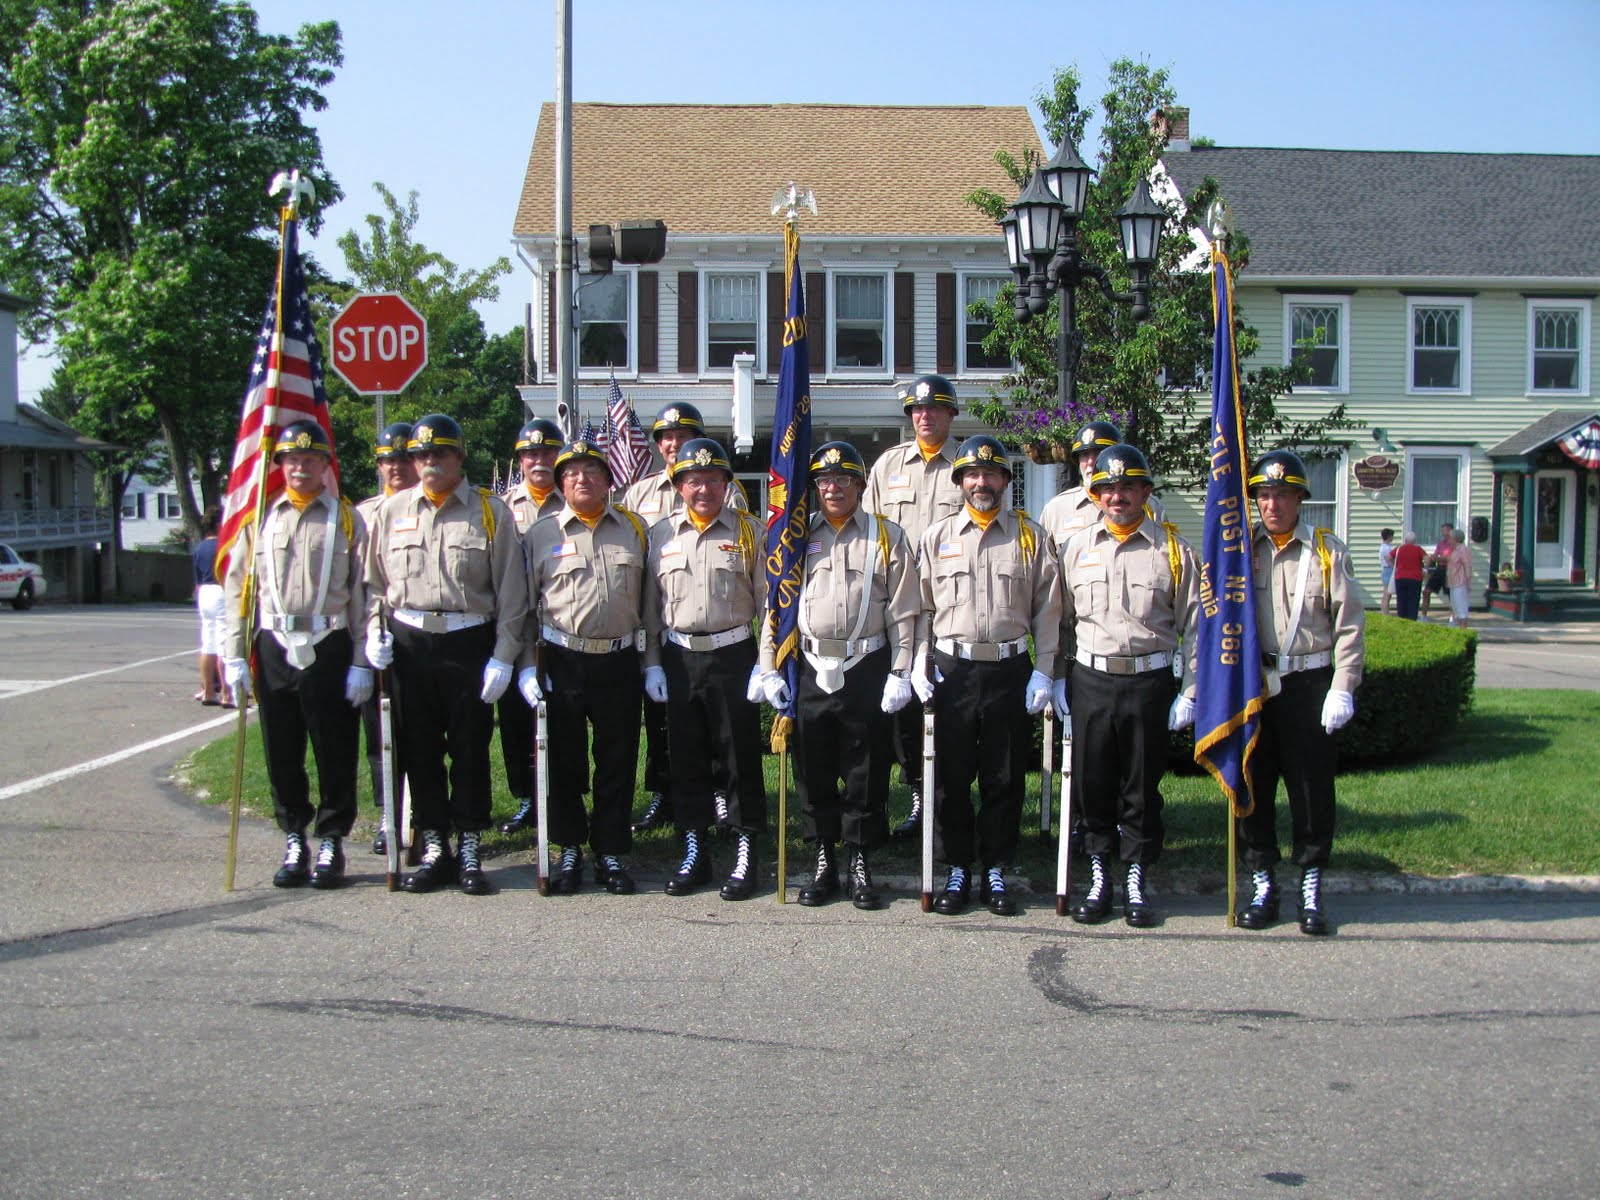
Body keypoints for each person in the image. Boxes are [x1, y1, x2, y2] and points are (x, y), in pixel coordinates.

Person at [364, 413, 528, 896]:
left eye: (439, 453)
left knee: (470, 746)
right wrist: (375, 632)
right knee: (419, 748)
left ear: (459, 457)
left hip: (468, 640)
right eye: (420, 454)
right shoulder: (392, 512)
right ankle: (435, 843)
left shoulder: (490, 511)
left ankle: (471, 841)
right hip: (410, 642)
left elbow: (512, 596)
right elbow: (375, 585)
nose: (429, 461)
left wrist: (503, 655)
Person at [757, 441, 919, 909]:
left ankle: (860, 859)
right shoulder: (794, 538)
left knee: (866, 768)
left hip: (865, 665)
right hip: (809, 666)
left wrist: (901, 670)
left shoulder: (887, 536)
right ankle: (824, 856)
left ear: (861, 486)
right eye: (825, 481)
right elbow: (777, 609)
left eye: (844, 479)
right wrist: (769, 667)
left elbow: (904, 612)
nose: (833, 488)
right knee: (815, 766)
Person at [913, 435, 1060, 916]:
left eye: (992, 474)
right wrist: (918, 659)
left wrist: (1044, 671)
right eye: (972, 475)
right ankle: (956, 867)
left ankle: (996, 868)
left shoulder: (1030, 536)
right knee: (951, 777)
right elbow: (920, 608)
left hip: (1009, 670)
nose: (982, 482)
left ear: (1005, 480)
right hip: (952, 670)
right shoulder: (936, 538)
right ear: (959, 482)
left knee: (1004, 775)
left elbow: (1048, 611)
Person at [222, 420, 370, 890]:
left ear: (327, 465)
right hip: (274, 642)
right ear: (279, 465)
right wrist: (232, 655)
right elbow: (238, 591)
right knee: (281, 747)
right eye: (292, 459)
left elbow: (364, 593)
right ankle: (294, 836)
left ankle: (331, 838)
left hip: (329, 642)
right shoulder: (260, 518)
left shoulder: (347, 519)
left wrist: (363, 659)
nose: (301, 467)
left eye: (311, 459)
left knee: (334, 745)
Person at [1055, 444, 1197, 928]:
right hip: (1091, 679)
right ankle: (1099, 873)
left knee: (1140, 784)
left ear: (1145, 493)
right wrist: (1054, 677)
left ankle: (1136, 874)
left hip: (1148, 681)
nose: (1117, 496)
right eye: (1108, 488)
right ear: (1095, 494)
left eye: (1127, 487)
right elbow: (1061, 621)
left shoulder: (1173, 550)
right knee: (1092, 782)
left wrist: (1192, 689)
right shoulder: (1075, 549)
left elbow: (1196, 626)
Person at [1237, 450, 1365, 936]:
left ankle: (1310, 881)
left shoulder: (1327, 551)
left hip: (1309, 682)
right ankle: (1262, 879)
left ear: (1300, 499)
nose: (1272, 505)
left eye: (1282, 495)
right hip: (1255, 685)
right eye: (1264, 496)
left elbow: (1350, 626)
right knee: (1253, 783)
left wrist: (1343, 687)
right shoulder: (1241, 549)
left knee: (1310, 788)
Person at [518, 440, 650, 894]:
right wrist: (523, 667)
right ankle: (569, 845)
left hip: (619, 660)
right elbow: (522, 608)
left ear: (608, 479)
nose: (582, 479)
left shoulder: (634, 529)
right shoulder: (541, 533)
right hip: (562, 659)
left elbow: (650, 603)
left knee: (617, 758)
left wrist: (650, 664)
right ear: (560, 482)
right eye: (572, 472)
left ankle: (610, 849)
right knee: (564, 759)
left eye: (592, 471)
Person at [641, 437, 767, 900]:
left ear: (726, 484)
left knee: (739, 757)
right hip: (677, 656)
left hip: (733, 654)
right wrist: (653, 664)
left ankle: (745, 845)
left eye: (712, 479)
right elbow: (651, 608)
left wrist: (765, 664)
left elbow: (770, 605)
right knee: (687, 757)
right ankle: (695, 847)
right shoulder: (659, 535)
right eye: (693, 480)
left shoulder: (750, 531)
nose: (703, 489)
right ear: (678, 486)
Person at [621, 402, 746, 835]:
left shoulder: (732, 503)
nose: (674, 443)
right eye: (666, 437)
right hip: (673, 638)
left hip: (727, 638)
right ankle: (668, 799)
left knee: (727, 738)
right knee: (671, 733)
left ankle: (726, 804)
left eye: (682, 435)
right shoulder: (639, 496)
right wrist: (650, 654)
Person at [865, 374, 966, 842]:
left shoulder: (967, 466)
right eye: (917, 411)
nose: (925, 416)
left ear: (951, 414)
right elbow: (869, 531)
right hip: (895, 603)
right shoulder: (888, 466)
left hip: (948, 602)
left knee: (939, 704)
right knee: (894, 709)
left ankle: (939, 798)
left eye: (935, 409)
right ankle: (907, 795)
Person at [496, 418, 566, 837]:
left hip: (558, 630)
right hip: (518, 629)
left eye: (546, 452)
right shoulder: (503, 507)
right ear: (520, 460)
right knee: (516, 720)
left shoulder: (575, 500)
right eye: (531, 453)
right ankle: (526, 798)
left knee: (559, 721)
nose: (539, 460)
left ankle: (557, 795)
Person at [355, 421, 418, 855]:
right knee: (381, 734)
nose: (395, 467)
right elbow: (362, 585)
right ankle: (387, 813)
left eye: (401, 459)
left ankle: (423, 815)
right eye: (387, 460)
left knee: (423, 732)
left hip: (418, 638)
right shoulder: (362, 515)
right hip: (374, 637)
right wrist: (368, 638)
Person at [1037, 420, 1166, 542]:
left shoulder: (1149, 506)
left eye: (1099, 453)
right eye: (1084, 454)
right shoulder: (1056, 509)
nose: (1090, 462)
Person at [192, 506, 225, 706]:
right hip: (220, 590)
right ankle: (228, 692)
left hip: (204, 592)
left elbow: (197, 581)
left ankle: (208, 690)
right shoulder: (223, 546)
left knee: (208, 643)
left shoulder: (199, 548)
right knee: (223, 644)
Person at [1421, 522, 1454, 619]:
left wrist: (1440, 558)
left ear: (1450, 531)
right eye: (1442, 530)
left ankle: (1453, 617)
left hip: (1449, 570)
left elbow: (1450, 558)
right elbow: (1436, 555)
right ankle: (1423, 616)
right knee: (1426, 591)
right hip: (1439, 569)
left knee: (1451, 594)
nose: (1443, 533)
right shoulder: (1441, 544)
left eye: (1445, 530)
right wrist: (1434, 557)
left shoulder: (1454, 544)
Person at [1393, 532, 1426, 620]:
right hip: (1415, 578)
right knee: (1413, 600)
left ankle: (1401, 619)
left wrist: (1395, 566)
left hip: (1400, 577)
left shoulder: (1399, 549)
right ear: (1414, 541)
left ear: (1405, 540)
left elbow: (1387, 557)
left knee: (1401, 600)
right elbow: (1427, 558)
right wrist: (1425, 568)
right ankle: (1412, 619)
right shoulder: (1418, 549)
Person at [1446, 526, 1473, 628]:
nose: (1449, 540)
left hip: (1460, 582)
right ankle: (1459, 629)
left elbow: (1467, 566)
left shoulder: (1463, 550)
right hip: (1453, 582)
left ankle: (1463, 630)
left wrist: (1468, 582)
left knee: (1461, 608)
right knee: (1455, 607)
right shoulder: (1455, 550)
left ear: (1456, 539)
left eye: (1450, 538)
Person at [1378, 527, 1397, 616]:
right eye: (1392, 536)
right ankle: (1385, 612)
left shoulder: (1385, 547)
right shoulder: (1386, 548)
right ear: (1389, 536)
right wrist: (1395, 568)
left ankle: (1384, 611)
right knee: (1387, 593)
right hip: (1388, 570)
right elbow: (1388, 560)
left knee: (1386, 593)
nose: (1392, 538)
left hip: (1386, 570)